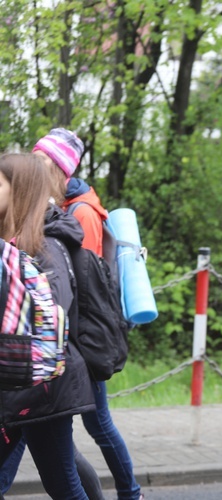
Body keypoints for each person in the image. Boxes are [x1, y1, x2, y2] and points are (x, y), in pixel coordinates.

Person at [32, 128, 144, 500]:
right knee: (67, 444)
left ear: (60, 170)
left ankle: (131, 492)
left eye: (42, 161)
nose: (34, 166)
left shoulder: (82, 213)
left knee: (99, 426)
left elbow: (84, 282)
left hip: (83, 340)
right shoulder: (67, 206)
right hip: (72, 340)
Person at [0, 153, 95, 499]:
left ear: (19, 191)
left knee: (64, 481)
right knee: (64, 480)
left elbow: (51, 319)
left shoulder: (47, 248)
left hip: (44, 386)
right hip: (20, 385)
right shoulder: (9, 246)